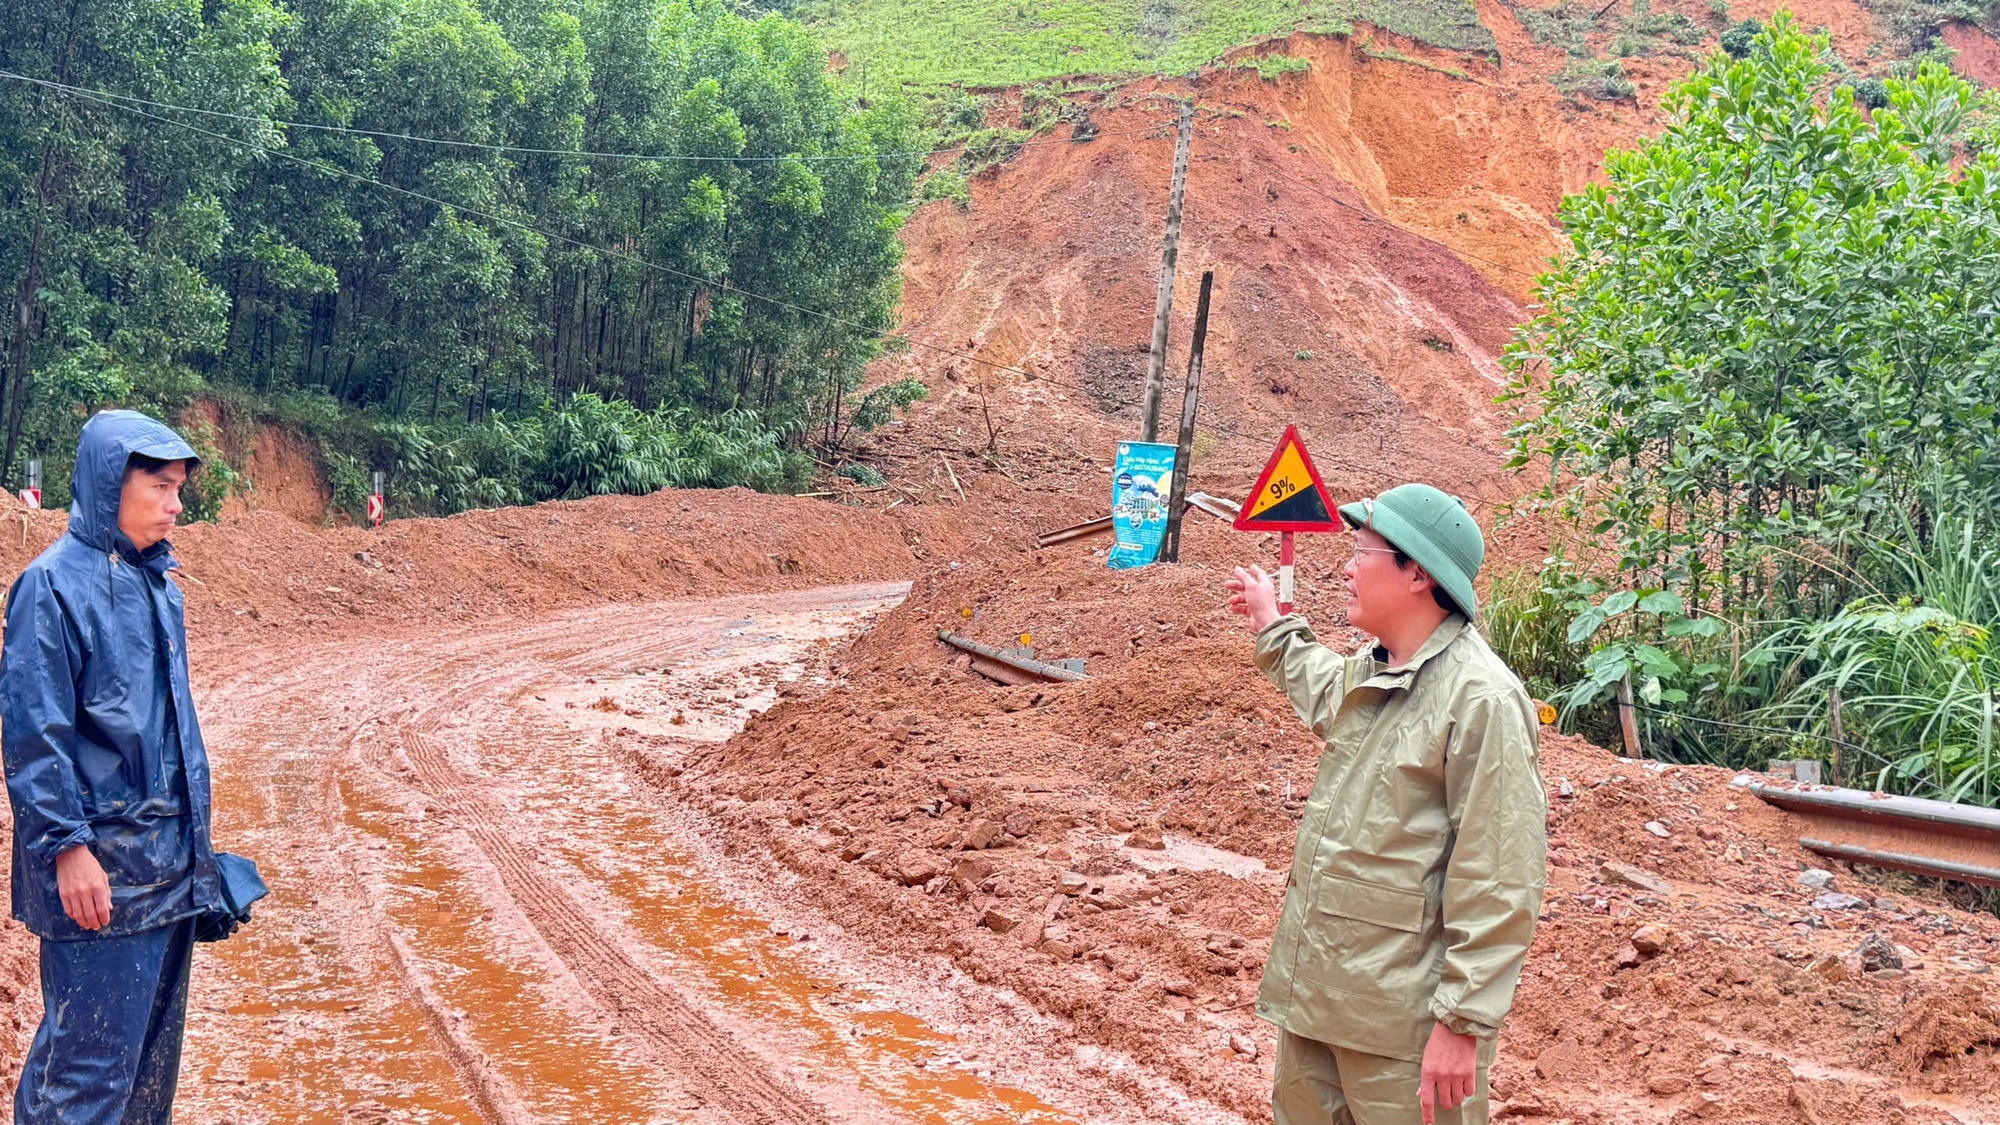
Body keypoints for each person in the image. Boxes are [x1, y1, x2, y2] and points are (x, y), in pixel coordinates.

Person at [1225, 484, 1547, 1125]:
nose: (1346, 567)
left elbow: (1501, 875)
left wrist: (1462, 1023)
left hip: (1405, 1032)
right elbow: (1320, 685)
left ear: (1418, 573)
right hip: (1319, 1002)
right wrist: (1272, 622)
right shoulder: (1375, 672)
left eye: (1363, 552)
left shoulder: (1481, 699)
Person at [3, 410, 221, 1124]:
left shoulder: (161, 587)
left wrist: (201, 865)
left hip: (166, 879)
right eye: (160, 485)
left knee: (144, 1089)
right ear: (109, 483)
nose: (176, 503)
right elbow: (36, 735)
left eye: (179, 487)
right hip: (98, 890)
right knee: (85, 1086)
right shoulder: (52, 588)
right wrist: (67, 848)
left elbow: (172, 734)